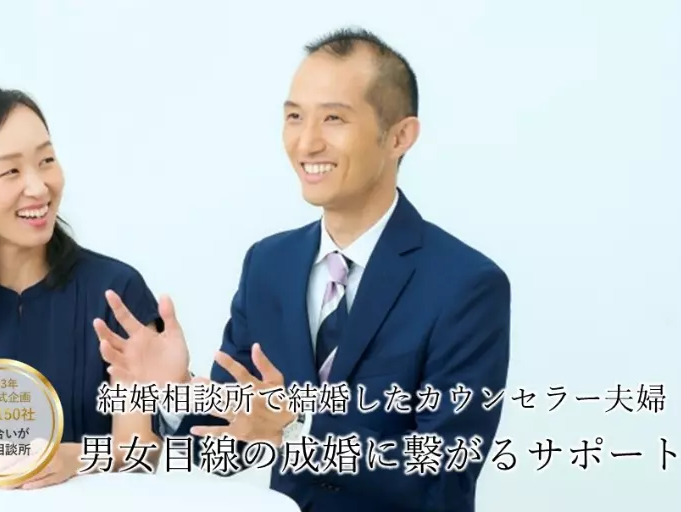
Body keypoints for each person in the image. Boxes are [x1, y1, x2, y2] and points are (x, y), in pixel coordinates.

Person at [96, 27, 510, 511]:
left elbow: (444, 474)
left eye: (334, 118)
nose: (306, 142)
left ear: (400, 136)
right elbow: (223, 449)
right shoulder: (269, 265)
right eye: (294, 117)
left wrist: (297, 432)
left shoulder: (465, 285)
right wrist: (178, 392)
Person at [0, 85, 163, 489]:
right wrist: (1, 464)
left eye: (46, 160)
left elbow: (144, 447)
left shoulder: (117, 292)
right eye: (11, 172)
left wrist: (73, 457)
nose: (38, 187)